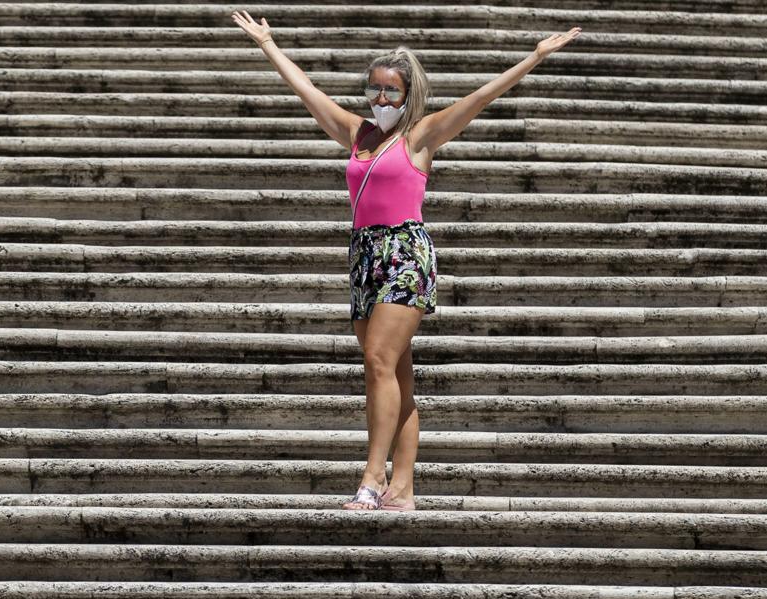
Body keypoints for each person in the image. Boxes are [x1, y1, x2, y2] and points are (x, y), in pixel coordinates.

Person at [232, 11, 581, 511]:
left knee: (377, 361)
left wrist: (534, 57)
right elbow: (307, 91)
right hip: (363, 256)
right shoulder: (357, 133)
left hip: (404, 253)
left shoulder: (420, 135)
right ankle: (403, 489)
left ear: (408, 94)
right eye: (374, 90)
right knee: (395, 374)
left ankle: (372, 480)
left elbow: (480, 99)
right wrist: (269, 45)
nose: (381, 100)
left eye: (391, 92)